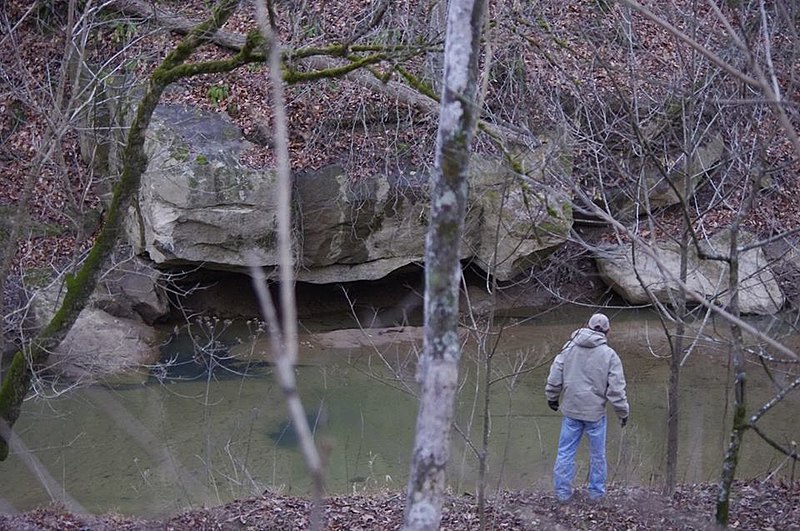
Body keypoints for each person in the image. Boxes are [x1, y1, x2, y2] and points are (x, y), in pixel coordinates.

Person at [545, 312, 629, 502]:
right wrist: (622, 412)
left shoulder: (569, 348)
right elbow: (616, 389)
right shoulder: (610, 356)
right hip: (595, 414)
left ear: (588, 327)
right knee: (598, 455)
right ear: (607, 331)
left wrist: (552, 397)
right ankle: (596, 494)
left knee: (565, 453)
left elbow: (555, 375)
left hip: (571, 410)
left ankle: (562, 494)